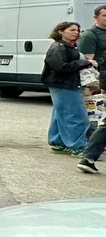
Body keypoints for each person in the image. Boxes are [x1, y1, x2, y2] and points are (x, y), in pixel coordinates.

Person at [43, 21, 94, 156]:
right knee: (76, 116)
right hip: (64, 84)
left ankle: (58, 142)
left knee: (60, 114)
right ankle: (78, 147)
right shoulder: (58, 48)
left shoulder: (68, 46)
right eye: (72, 30)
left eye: (77, 30)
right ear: (60, 31)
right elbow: (60, 67)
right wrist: (84, 63)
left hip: (63, 84)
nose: (76, 32)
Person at [79, 4, 106, 89]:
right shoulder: (89, 35)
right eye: (104, 15)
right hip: (102, 77)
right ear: (95, 17)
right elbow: (88, 61)